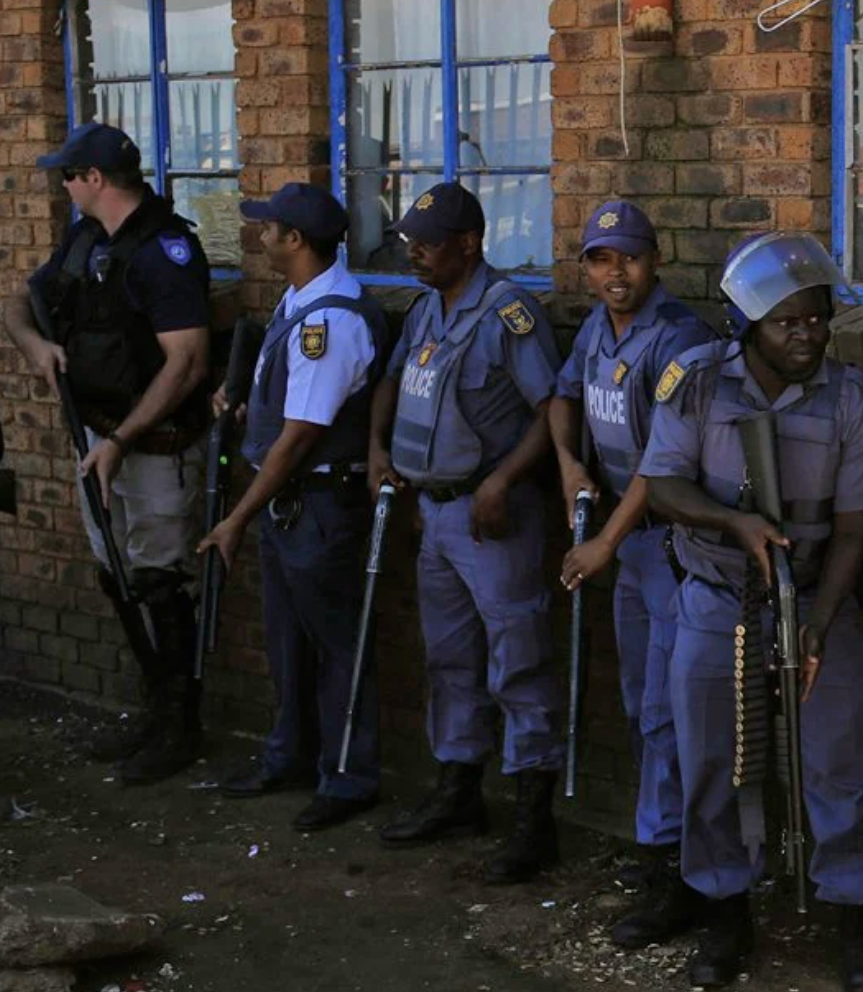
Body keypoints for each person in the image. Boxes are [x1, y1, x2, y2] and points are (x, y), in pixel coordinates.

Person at [641, 232, 863, 992]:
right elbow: (661, 485)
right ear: (748, 326)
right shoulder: (694, 382)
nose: (807, 336)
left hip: (818, 602)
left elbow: (856, 525)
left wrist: (817, 624)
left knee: (841, 765)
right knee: (714, 766)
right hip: (718, 600)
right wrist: (734, 524)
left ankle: (854, 917)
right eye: (789, 323)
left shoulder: (846, 396)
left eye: (817, 320)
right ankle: (724, 914)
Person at [366, 182, 566, 884]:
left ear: (470, 244)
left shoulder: (507, 314)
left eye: (428, 241)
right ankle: (458, 793)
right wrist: (377, 448)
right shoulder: (425, 308)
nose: (414, 252)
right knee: (449, 660)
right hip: (435, 512)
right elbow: (392, 381)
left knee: (519, 662)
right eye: (410, 239)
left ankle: (532, 818)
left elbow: (552, 411)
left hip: (494, 521)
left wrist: (502, 480)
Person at [1, 122, 214, 784]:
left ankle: (181, 724)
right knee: (114, 571)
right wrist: (37, 349)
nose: (63, 186)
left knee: (160, 577)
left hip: (152, 445)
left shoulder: (166, 250)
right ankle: (154, 708)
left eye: (69, 175)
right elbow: (16, 304)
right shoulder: (86, 239)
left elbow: (187, 361)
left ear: (95, 180)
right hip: (97, 435)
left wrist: (122, 442)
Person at [545, 200, 716, 936]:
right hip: (628, 539)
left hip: (669, 544)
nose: (617, 273)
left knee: (671, 711)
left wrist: (603, 544)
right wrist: (567, 465)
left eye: (630, 258)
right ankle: (658, 847)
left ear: (657, 261)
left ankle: (680, 869)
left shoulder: (678, 337)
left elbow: (663, 462)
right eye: (601, 259)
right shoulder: (599, 326)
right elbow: (563, 396)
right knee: (644, 705)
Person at [198, 183, 390, 831]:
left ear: (296, 240)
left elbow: (301, 438)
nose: (259, 235)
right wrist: (248, 407)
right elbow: (289, 412)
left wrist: (235, 517)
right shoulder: (300, 300)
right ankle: (290, 754)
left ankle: (349, 776)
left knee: (339, 649)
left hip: (318, 505)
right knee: (288, 643)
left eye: (268, 228)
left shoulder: (328, 322)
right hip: (293, 506)